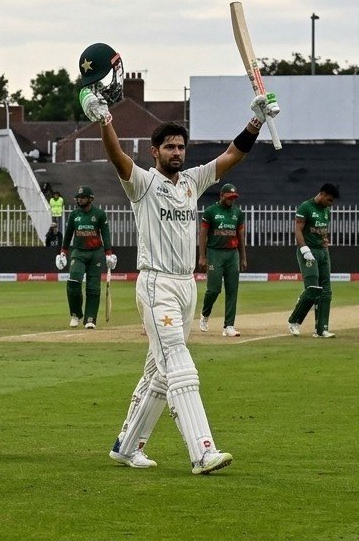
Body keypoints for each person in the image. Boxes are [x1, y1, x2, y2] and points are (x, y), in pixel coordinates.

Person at [81, 59, 276, 475]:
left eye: (181, 147)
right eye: (169, 147)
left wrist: (256, 121)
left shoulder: (192, 181)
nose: (176, 153)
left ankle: (126, 446)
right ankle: (203, 451)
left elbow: (231, 155)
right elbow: (117, 156)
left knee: (158, 372)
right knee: (179, 363)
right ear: (155, 152)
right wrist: (105, 121)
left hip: (186, 286)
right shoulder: (142, 183)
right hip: (156, 286)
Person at [287, 183, 341, 338]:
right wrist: (304, 249)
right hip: (308, 251)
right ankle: (294, 321)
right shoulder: (305, 207)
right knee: (312, 289)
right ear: (322, 194)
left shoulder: (326, 210)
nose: (330, 204)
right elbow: (298, 230)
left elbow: (322, 231)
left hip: (323, 252)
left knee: (326, 291)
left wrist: (325, 241)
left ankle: (321, 329)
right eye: (329, 200)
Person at [56, 185, 113, 329]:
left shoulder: (99, 214)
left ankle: (90, 319)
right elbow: (68, 234)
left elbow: (105, 234)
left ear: (90, 199)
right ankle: (75, 314)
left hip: (95, 253)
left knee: (93, 288)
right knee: (73, 282)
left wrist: (109, 254)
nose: (80, 200)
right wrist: (63, 252)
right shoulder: (74, 215)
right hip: (78, 252)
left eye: (83, 197)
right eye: (78, 197)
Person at [198, 183, 246, 337]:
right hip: (215, 253)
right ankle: (205, 314)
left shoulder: (238, 213)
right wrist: (202, 256)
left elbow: (240, 236)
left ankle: (229, 326)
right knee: (214, 289)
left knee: (232, 290)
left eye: (234, 197)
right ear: (221, 196)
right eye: (229, 197)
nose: (232, 200)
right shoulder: (211, 211)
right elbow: (203, 234)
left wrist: (243, 257)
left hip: (232, 254)